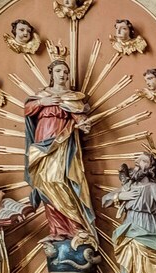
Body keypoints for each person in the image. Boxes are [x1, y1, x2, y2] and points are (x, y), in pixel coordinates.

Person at [24, 60, 96, 246]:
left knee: (58, 181)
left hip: (61, 143)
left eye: (65, 71)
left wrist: (84, 124)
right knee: (43, 184)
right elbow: (27, 110)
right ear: (51, 74)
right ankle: (57, 230)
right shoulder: (42, 95)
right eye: (58, 71)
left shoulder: (72, 97)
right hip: (41, 142)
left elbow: (79, 117)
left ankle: (77, 226)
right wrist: (41, 102)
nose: (62, 74)